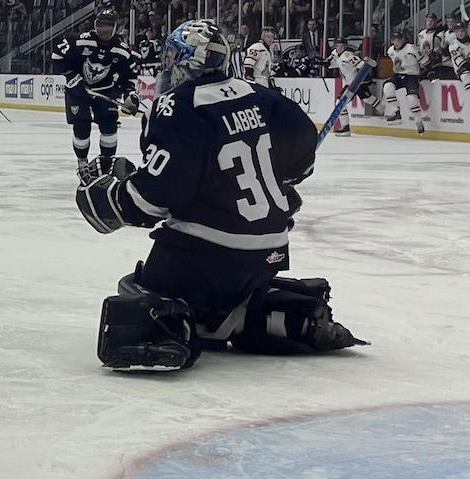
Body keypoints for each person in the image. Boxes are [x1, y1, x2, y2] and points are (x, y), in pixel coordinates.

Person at [74, 19, 366, 372]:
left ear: (190, 61)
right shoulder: (267, 98)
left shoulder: (178, 107)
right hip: (269, 253)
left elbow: (156, 198)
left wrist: (111, 197)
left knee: (136, 287)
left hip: (204, 256)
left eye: (173, 57)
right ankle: (272, 315)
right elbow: (300, 168)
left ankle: (181, 328)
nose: (168, 65)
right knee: (229, 291)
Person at [51, 7, 140, 184]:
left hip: (107, 91)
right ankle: (82, 163)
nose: (104, 29)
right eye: (101, 25)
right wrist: (71, 76)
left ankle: (106, 164)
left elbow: (129, 77)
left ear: (116, 27)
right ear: (94, 25)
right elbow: (57, 56)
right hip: (78, 92)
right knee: (81, 127)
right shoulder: (79, 41)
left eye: (108, 25)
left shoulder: (122, 51)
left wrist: (130, 95)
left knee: (109, 127)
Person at [327, 37, 380, 136]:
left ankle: (345, 127)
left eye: (341, 46)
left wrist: (366, 78)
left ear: (345, 46)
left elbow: (362, 66)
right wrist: (321, 62)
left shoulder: (348, 56)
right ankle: (384, 109)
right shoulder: (334, 53)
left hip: (355, 84)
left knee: (340, 103)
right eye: (337, 46)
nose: (339, 48)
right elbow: (331, 63)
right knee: (368, 99)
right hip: (351, 83)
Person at [384, 32, 425, 134]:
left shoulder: (411, 48)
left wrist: (427, 71)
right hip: (398, 75)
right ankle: (396, 113)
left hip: (412, 75)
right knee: (388, 86)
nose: (396, 42)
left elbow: (425, 60)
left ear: (403, 40)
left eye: (398, 40)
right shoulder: (390, 51)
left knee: (411, 99)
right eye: (394, 40)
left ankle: (418, 122)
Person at [448, 23, 470, 112]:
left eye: (462, 31)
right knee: (467, 76)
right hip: (461, 69)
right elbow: (460, 62)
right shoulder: (453, 45)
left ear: (466, 30)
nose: (460, 33)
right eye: (457, 31)